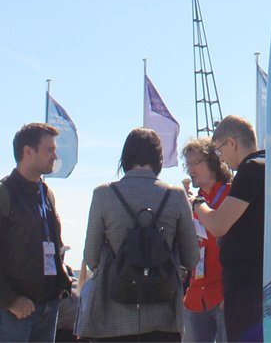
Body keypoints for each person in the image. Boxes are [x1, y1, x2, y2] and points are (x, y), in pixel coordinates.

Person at [78, 127, 198, 342]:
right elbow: (191, 258)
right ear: (158, 158)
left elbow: (91, 257)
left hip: (113, 317)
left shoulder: (103, 194)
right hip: (164, 316)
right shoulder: (176, 196)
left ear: (125, 156)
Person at [0, 122, 72, 342]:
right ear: (27, 151)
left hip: (47, 308)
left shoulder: (46, 193)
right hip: (12, 314)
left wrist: (61, 286)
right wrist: (11, 300)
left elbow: (53, 244)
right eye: (49, 149)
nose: (55, 156)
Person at [193, 116, 264, 343]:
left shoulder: (251, 169)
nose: (221, 158)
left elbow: (218, 225)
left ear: (232, 143)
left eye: (220, 150)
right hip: (266, 282)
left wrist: (198, 205)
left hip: (245, 288)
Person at [181, 138, 232, 342]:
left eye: (196, 162)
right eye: (188, 164)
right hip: (195, 297)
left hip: (223, 295)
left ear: (213, 162)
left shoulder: (232, 194)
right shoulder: (193, 201)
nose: (191, 169)